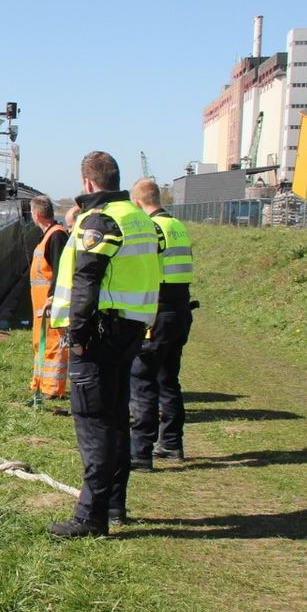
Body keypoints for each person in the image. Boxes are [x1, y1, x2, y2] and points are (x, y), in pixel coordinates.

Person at [47, 152, 161, 537]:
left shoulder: (101, 221)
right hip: (129, 330)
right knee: (114, 420)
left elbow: (86, 281)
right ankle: (114, 504)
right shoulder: (140, 219)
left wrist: (77, 338)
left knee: (94, 424)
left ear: (89, 184)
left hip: (98, 334)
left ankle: (90, 518)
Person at [128, 178, 195, 469]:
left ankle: (140, 451)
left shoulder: (153, 229)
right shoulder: (177, 226)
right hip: (180, 310)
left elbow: (142, 269)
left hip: (159, 311)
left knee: (142, 380)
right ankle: (171, 443)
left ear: (139, 203)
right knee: (169, 380)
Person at [28, 195, 70, 406]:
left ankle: (52, 389)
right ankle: (40, 383)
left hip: (49, 304)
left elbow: (60, 270)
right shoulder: (49, 235)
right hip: (40, 305)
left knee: (53, 343)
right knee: (41, 343)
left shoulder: (56, 236)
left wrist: (53, 297)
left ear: (36, 215)